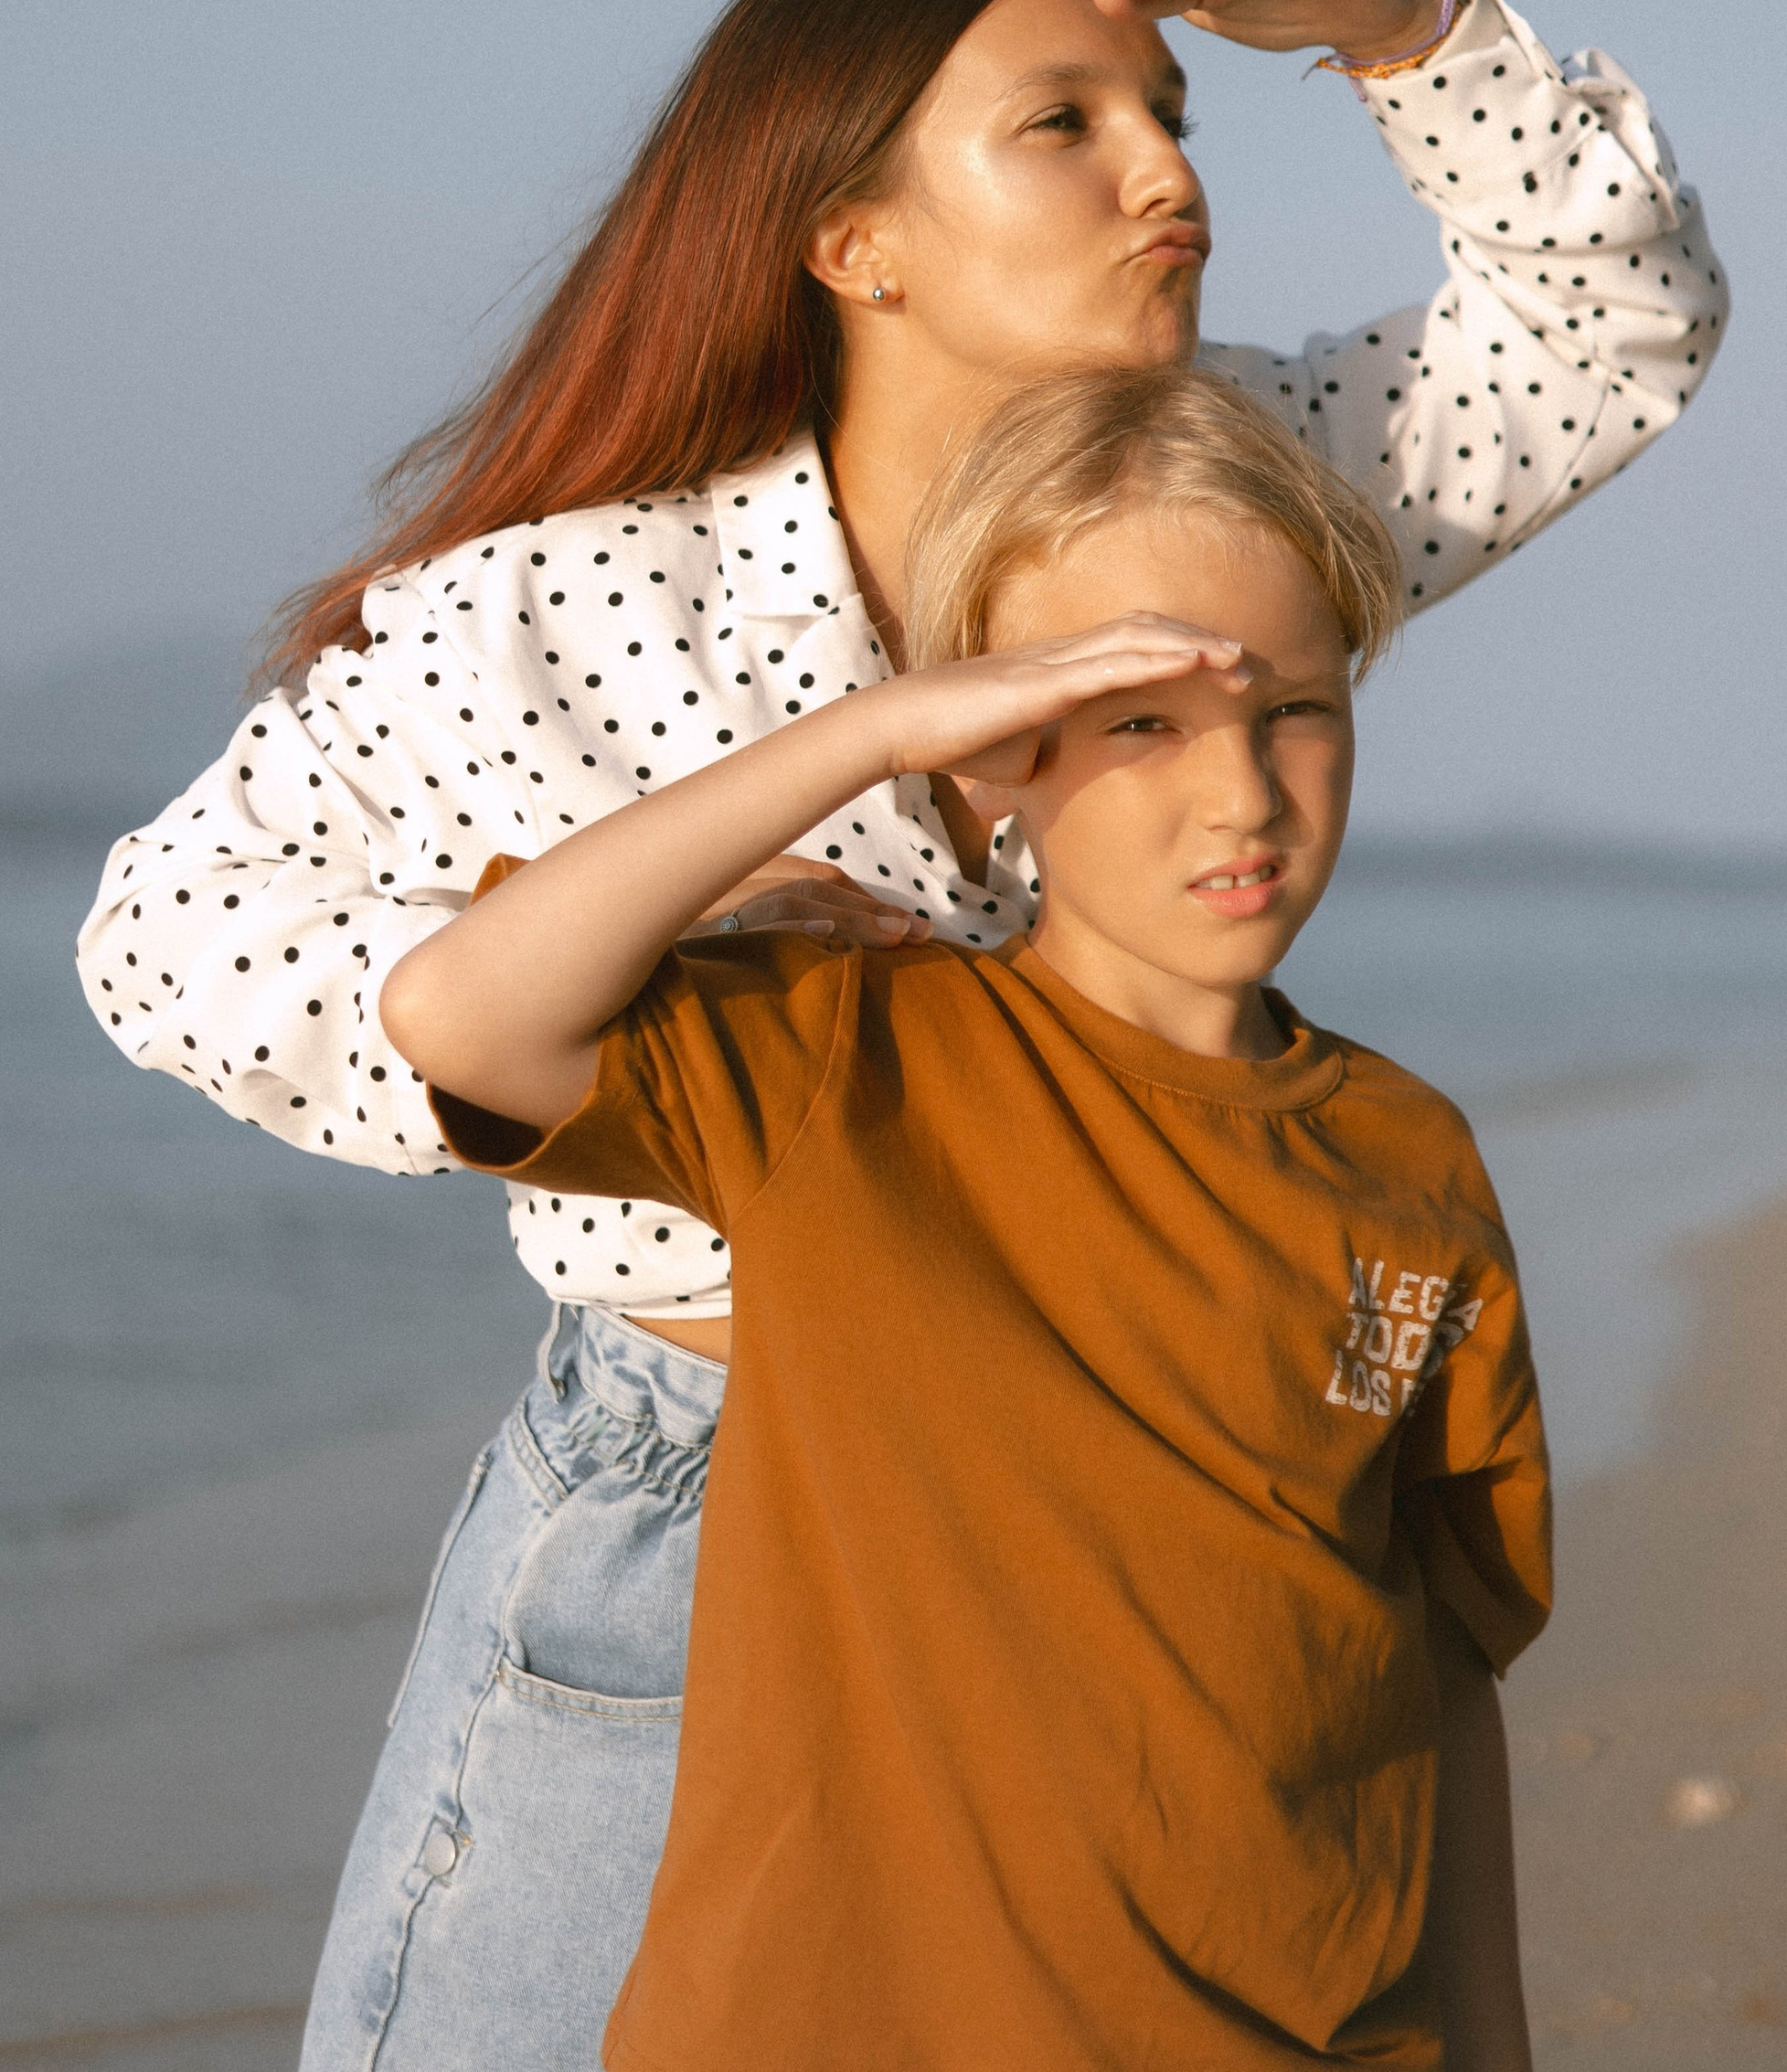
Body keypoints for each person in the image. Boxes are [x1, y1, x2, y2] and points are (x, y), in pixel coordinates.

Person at [75, 0, 1722, 2067]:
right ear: (855, 241)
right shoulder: (574, 608)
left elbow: (1597, 333)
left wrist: (1398, 25)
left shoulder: (1244, 483)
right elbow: (170, 944)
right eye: (1064, 124)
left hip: (1107, 1480)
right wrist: (654, 973)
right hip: (704, 1484)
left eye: (1166, 111)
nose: (1170, 172)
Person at [384, 366, 1550, 2072]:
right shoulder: (842, 1064)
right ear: (999, 745)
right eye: (1139, 717)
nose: (1244, 799)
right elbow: (462, 1019)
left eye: (1295, 708)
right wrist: (869, 738)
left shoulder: (1407, 1160)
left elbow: (1437, 1684)